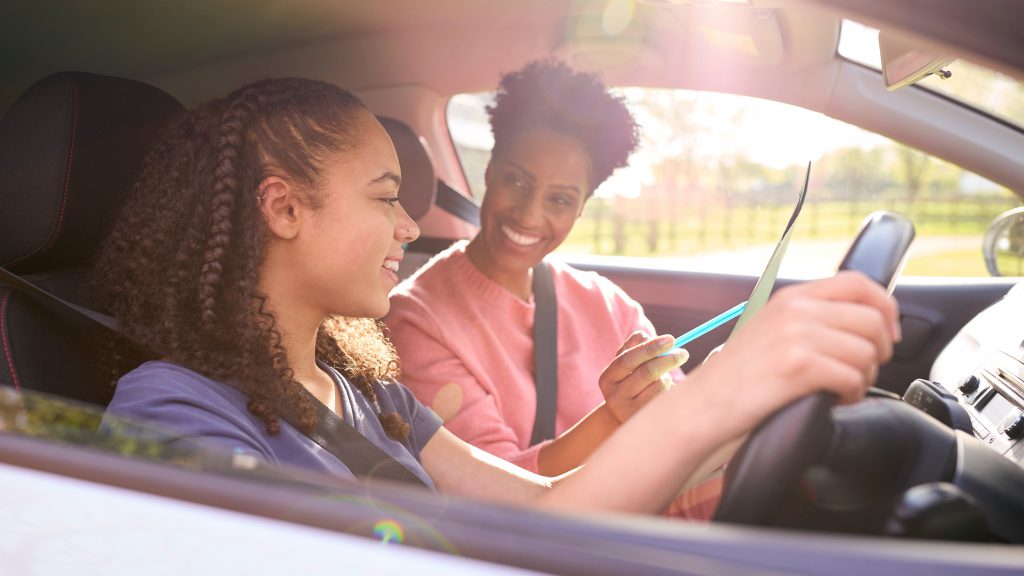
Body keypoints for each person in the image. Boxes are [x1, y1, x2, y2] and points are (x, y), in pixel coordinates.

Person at [97, 76, 899, 516]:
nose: (411, 224)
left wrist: (720, 401)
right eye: (384, 197)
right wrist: (722, 393)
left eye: (563, 197)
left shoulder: (374, 397)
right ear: (283, 209)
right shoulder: (171, 407)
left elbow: (541, 510)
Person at [384, 60, 713, 515]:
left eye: (559, 199)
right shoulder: (414, 320)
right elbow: (498, 491)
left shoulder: (607, 303)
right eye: (516, 181)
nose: (529, 215)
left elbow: (683, 428)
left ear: (580, 209)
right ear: (490, 170)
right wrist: (615, 416)